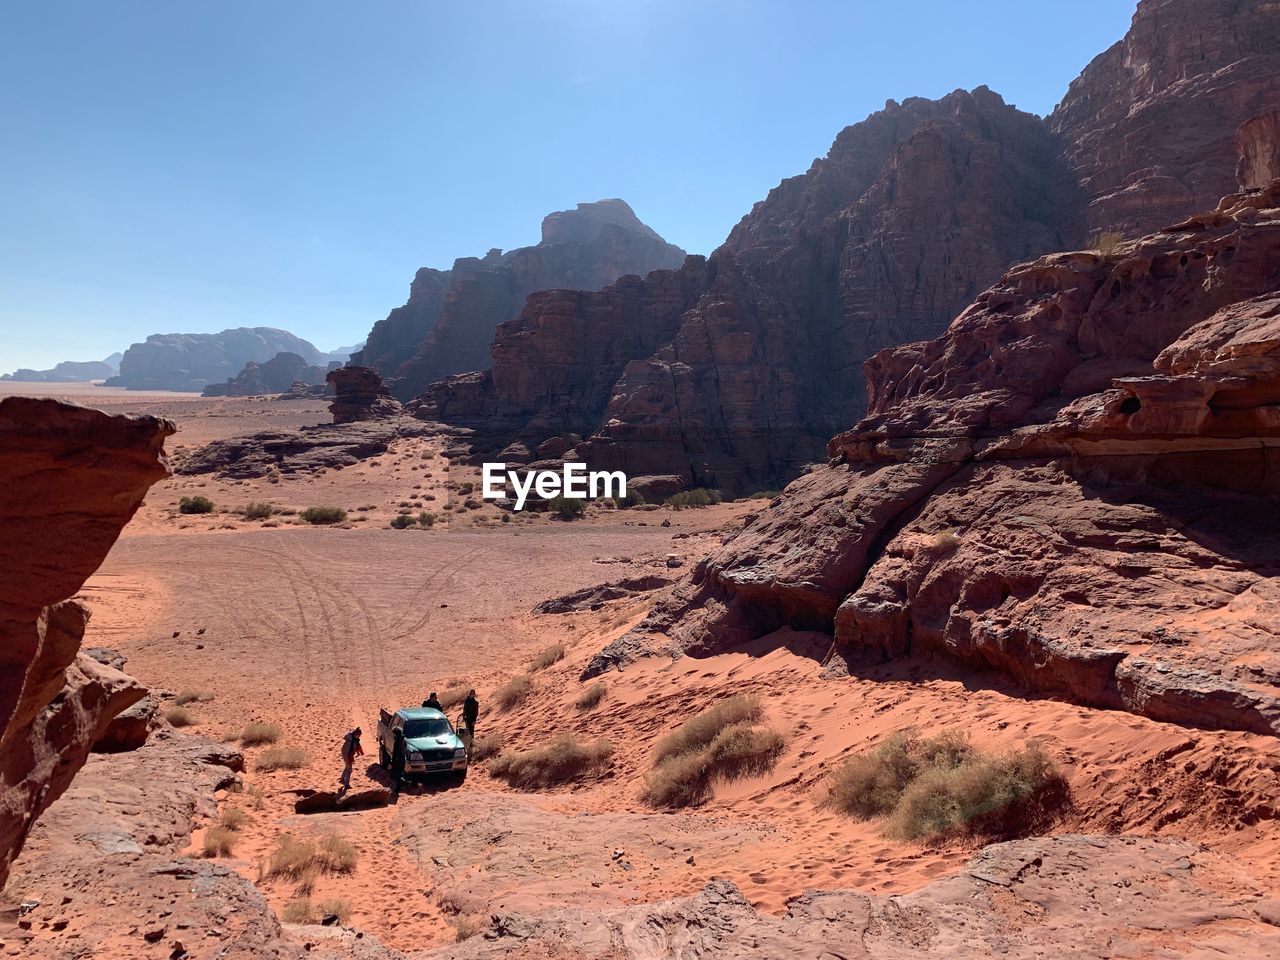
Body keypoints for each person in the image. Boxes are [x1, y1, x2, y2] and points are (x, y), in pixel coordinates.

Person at [339, 727, 364, 792]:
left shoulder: (354, 740)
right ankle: (346, 784)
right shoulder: (350, 741)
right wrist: (347, 760)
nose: (359, 736)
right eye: (359, 735)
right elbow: (345, 751)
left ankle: (342, 779)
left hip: (348, 756)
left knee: (347, 767)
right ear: (356, 734)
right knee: (349, 770)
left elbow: (357, 746)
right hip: (347, 756)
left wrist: (360, 752)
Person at [389, 727, 406, 801]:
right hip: (402, 759)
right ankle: (400, 785)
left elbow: (395, 753)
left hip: (398, 760)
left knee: (396, 774)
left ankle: (399, 787)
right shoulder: (403, 740)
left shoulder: (397, 741)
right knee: (400, 773)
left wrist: (393, 761)